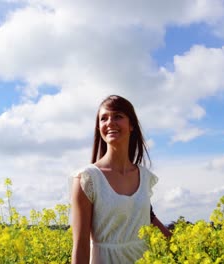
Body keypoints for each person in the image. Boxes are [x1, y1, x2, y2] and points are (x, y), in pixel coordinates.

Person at [71, 95, 172, 264]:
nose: (110, 122)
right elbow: (80, 246)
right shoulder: (87, 179)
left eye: (118, 116)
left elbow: (147, 216)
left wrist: (190, 246)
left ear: (131, 125)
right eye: (104, 119)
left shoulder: (144, 176)